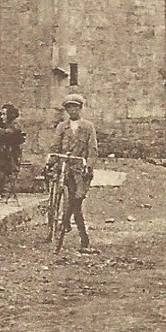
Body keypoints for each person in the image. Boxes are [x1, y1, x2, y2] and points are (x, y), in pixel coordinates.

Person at [49, 93, 98, 254]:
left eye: (75, 107)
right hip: (65, 169)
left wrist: (88, 166)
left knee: (76, 201)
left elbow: (92, 150)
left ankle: (64, 224)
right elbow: (55, 147)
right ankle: (84, 240)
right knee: (73, 205)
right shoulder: (62, 127)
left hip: (81, 171)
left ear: (80, 108)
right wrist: (50, 162)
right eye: (69, 108)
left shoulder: (88, 127)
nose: (72, 110)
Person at [0, 104, 26, 201]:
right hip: (2, 156)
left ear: (10, 115)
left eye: (4, 114)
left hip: (10, 158)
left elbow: (9, 133)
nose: (1, 117)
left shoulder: (15, 124)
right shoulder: (5, 125)